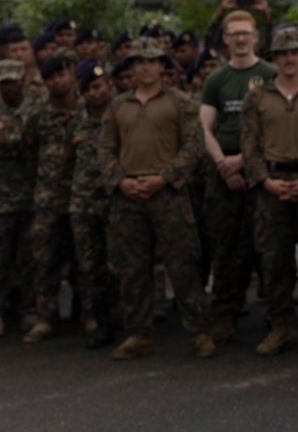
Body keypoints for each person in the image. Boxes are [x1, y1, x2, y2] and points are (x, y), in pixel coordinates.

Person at [99, 38, 216, 360]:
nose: (146, 67)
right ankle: (139, 333)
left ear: (163, 66)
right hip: (128, 197)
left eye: (152, 61)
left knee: (184, 265)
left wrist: (164, 177)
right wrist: (120, 181)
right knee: (132, 268)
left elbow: (193, 147)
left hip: (168, 194)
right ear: (131, 67)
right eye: (139, 62)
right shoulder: (118, 105)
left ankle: (198, 330)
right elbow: (106, 148)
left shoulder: (180, 102)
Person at [240, 27, 298, 356]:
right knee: (274, 261)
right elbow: (249, 147)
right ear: (274, 58)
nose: (290, 58)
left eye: (295, 52)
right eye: (283, 53)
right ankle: (281, 327)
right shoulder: (257, 97)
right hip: (272, 186)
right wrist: (265, 182)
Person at [199, 10, 278, 344]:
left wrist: (244, 162)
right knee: (225, 246)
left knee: (267, 246)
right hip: (223, 172)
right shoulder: (215, 80)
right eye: (234, 34)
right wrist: (223, 164)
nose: (241, 39)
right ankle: (225, 316)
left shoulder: (271, 74)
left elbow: (276, 128)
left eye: (246, 33)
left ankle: (277, 318)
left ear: (256, 37)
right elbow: (204, 128)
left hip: (259, 169)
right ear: (225, 40)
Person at [22, 54, 82, 343]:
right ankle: (46, 316)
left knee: (86, 256)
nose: (58, 81)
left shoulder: (88, 108)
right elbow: (29, 151)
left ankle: (91, 313)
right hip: (47, 197)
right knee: (44, 257)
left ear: (72, 75)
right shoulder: (36, 113)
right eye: (51, 77)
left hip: (82, 194)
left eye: (62, 74)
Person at [0, 60, 37, 337]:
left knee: (31, 256)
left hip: (31, 195)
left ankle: (29, 310)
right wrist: (17, 142)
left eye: (13, 81)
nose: (10, 86)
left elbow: (32, 140)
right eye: (4, 83)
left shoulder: (34, 108)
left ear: (22, 80)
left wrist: (9, 141)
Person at [68, 59, 116, 350]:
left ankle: (127, 317)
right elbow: (64, 159)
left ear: (109, 86)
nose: (93, 94)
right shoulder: (75, 121)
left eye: (98, 87)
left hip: (115, 199)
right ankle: (100, 323)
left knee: (120, 263)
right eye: (87, 89)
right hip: (84, 204)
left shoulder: (122, 115)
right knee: (89, 266)